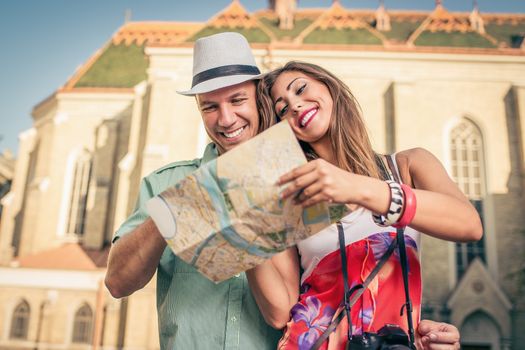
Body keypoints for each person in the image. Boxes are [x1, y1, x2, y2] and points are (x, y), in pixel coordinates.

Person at [105, 32, 464, 350]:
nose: (226, 118)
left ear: (259, 103)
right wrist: (174, 211)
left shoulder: (296, 188)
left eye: (237, 100)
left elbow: (286, 309)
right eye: (210, 107)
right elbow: (118, 283)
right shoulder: (165, 182)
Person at [247, 61, 482, 349]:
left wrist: (357, 187)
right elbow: (279, 313)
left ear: (329, 86)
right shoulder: (293, 198)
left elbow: (469, 225)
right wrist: (241, 236)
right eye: (282, 109)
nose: (294, 105)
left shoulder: (408, 166)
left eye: (300, 88)